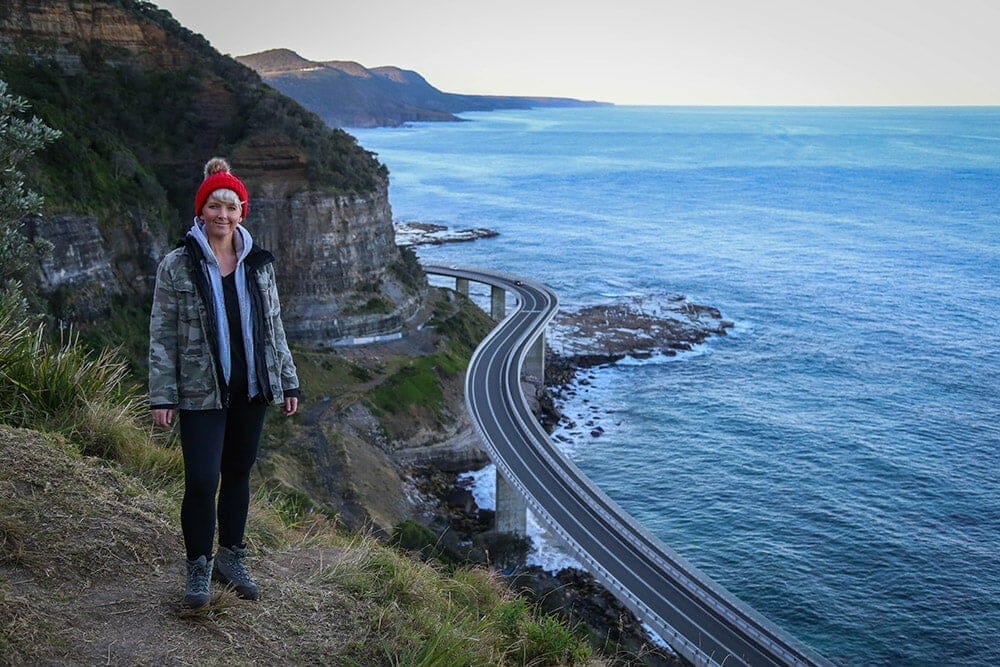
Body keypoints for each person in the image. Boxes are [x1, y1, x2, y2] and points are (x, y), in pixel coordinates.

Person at [148, 157, 299, 608]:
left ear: (242, 212)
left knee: (237, 476)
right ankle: (198, 566)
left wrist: (288, 382)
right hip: (200, 391)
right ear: (201, 211)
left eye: (231, 207)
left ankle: (231, 558)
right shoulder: (177, 266)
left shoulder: (259, 263)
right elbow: (162, 334)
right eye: (215, 205)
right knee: (201, 479)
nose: (223, 215)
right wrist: (162, 393)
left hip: (250, 389)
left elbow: (274, 327)